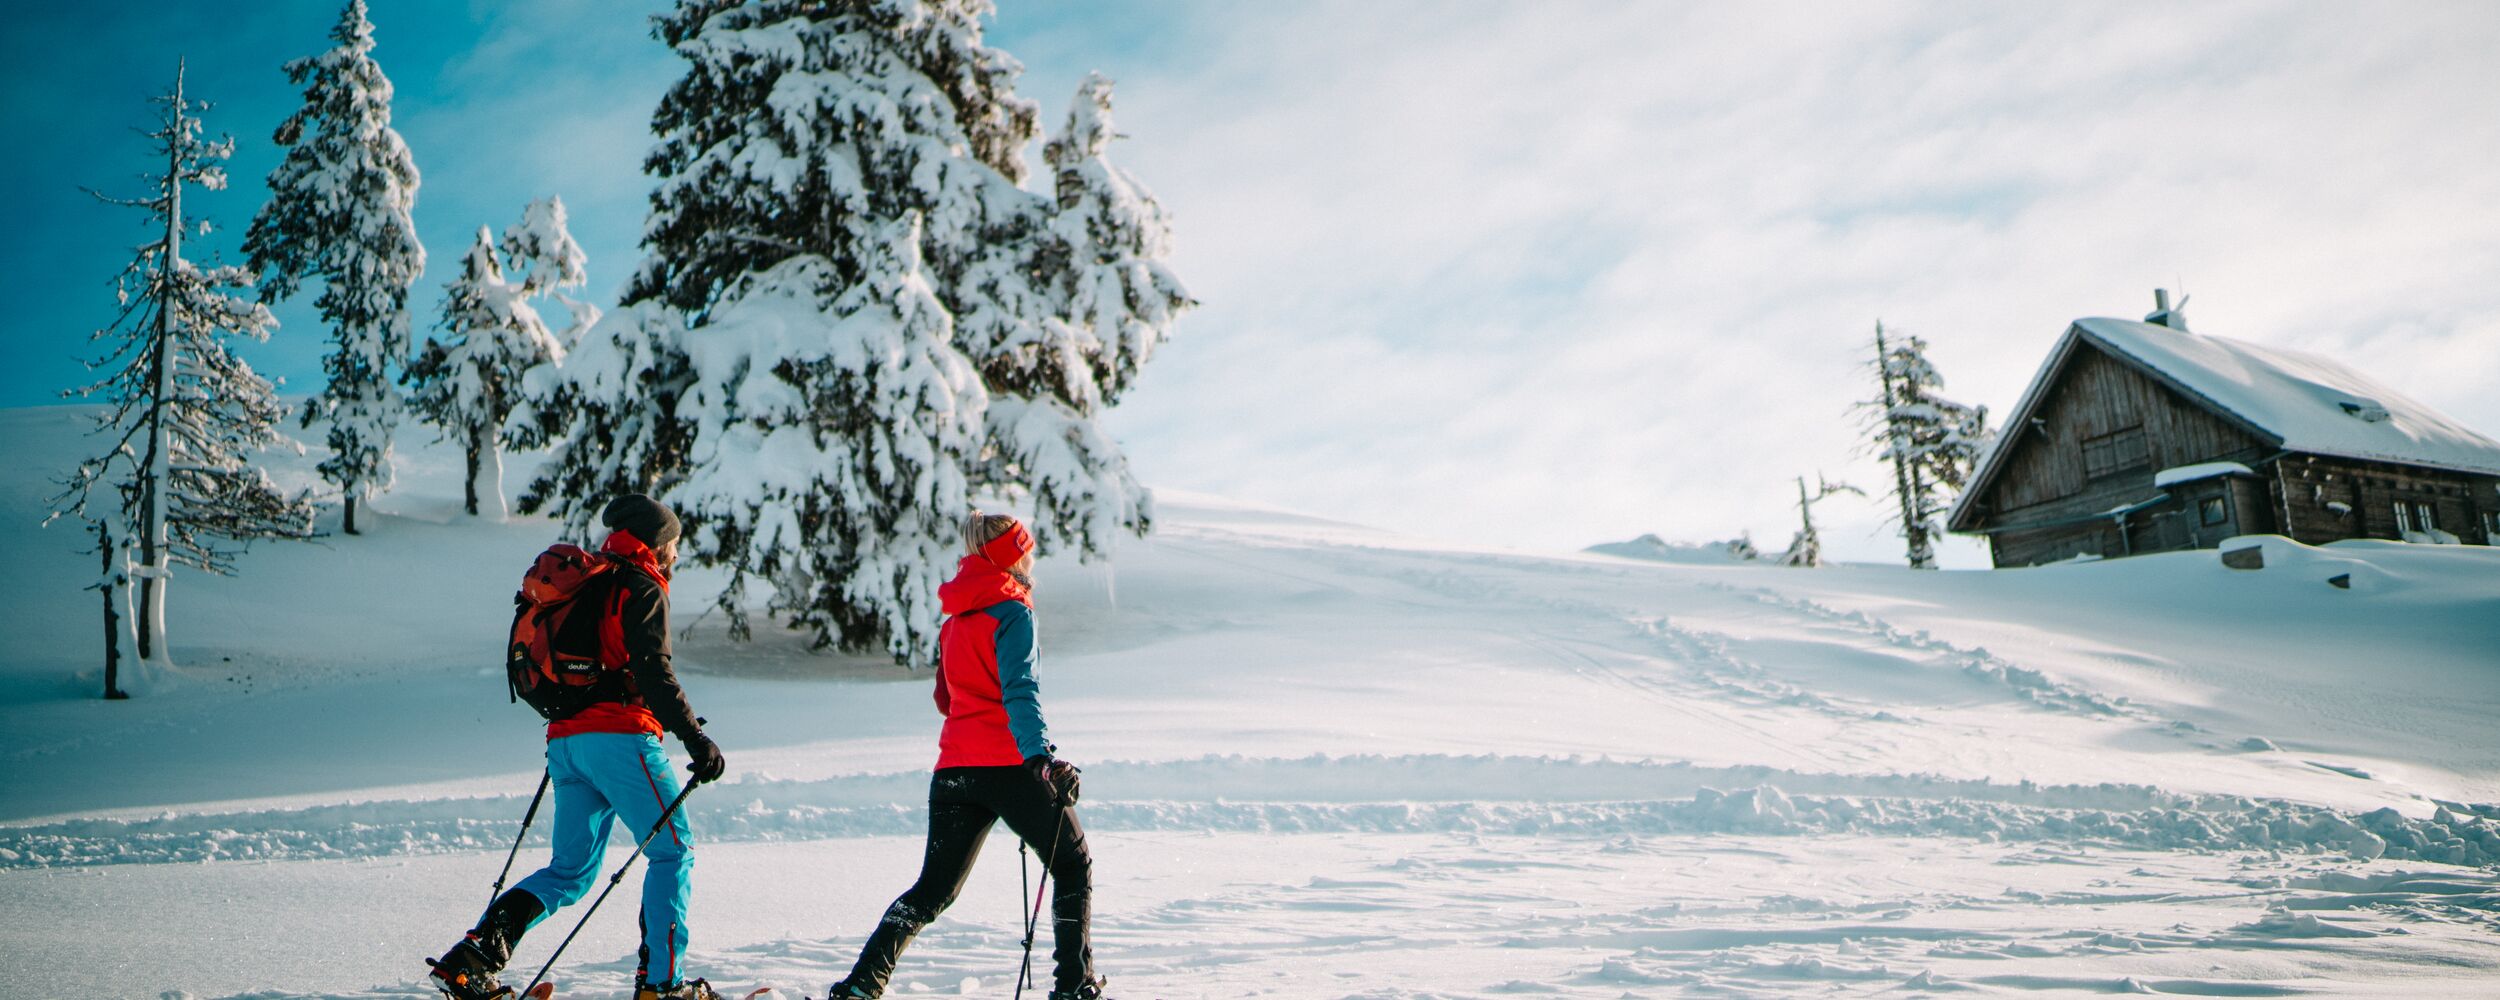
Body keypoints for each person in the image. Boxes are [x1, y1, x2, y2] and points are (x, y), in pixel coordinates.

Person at [428, 494, 729, 1000]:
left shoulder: (591, 579)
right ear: (656, 542)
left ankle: (470, 963)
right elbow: (655, 671)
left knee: (569, 871)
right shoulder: (640, 584)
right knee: (673, 851)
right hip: (621, 740)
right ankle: (663, 986)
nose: (676, 553)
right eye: (673, 542)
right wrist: (695, 740)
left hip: (567, 745)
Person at [825, 511, 1105, 1000]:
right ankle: (1072, 986)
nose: (1030, 557)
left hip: (955, 769)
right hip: (1010, 766)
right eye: (1025, 549)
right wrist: (1040, 756)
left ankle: (861, 986)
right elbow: (1021, 690)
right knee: (1073, 865)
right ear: (1011, 556)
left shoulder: (956, 617)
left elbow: (946, 701)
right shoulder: (1014, 612)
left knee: (932, 892)